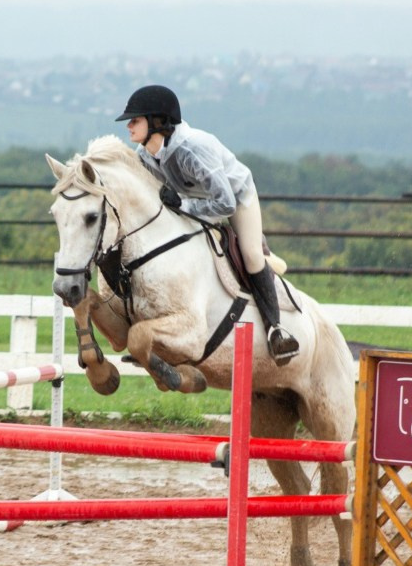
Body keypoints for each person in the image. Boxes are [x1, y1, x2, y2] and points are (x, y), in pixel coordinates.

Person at [115, 84, 299, 364]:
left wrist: (183, 205)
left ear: (157, 122)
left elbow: (224, 203)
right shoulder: (145, 156)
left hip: (236, 198)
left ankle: (276, 329)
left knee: (249, 254)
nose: (128, 125)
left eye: (135, 120)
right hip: (194, 204)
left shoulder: (192, 149)